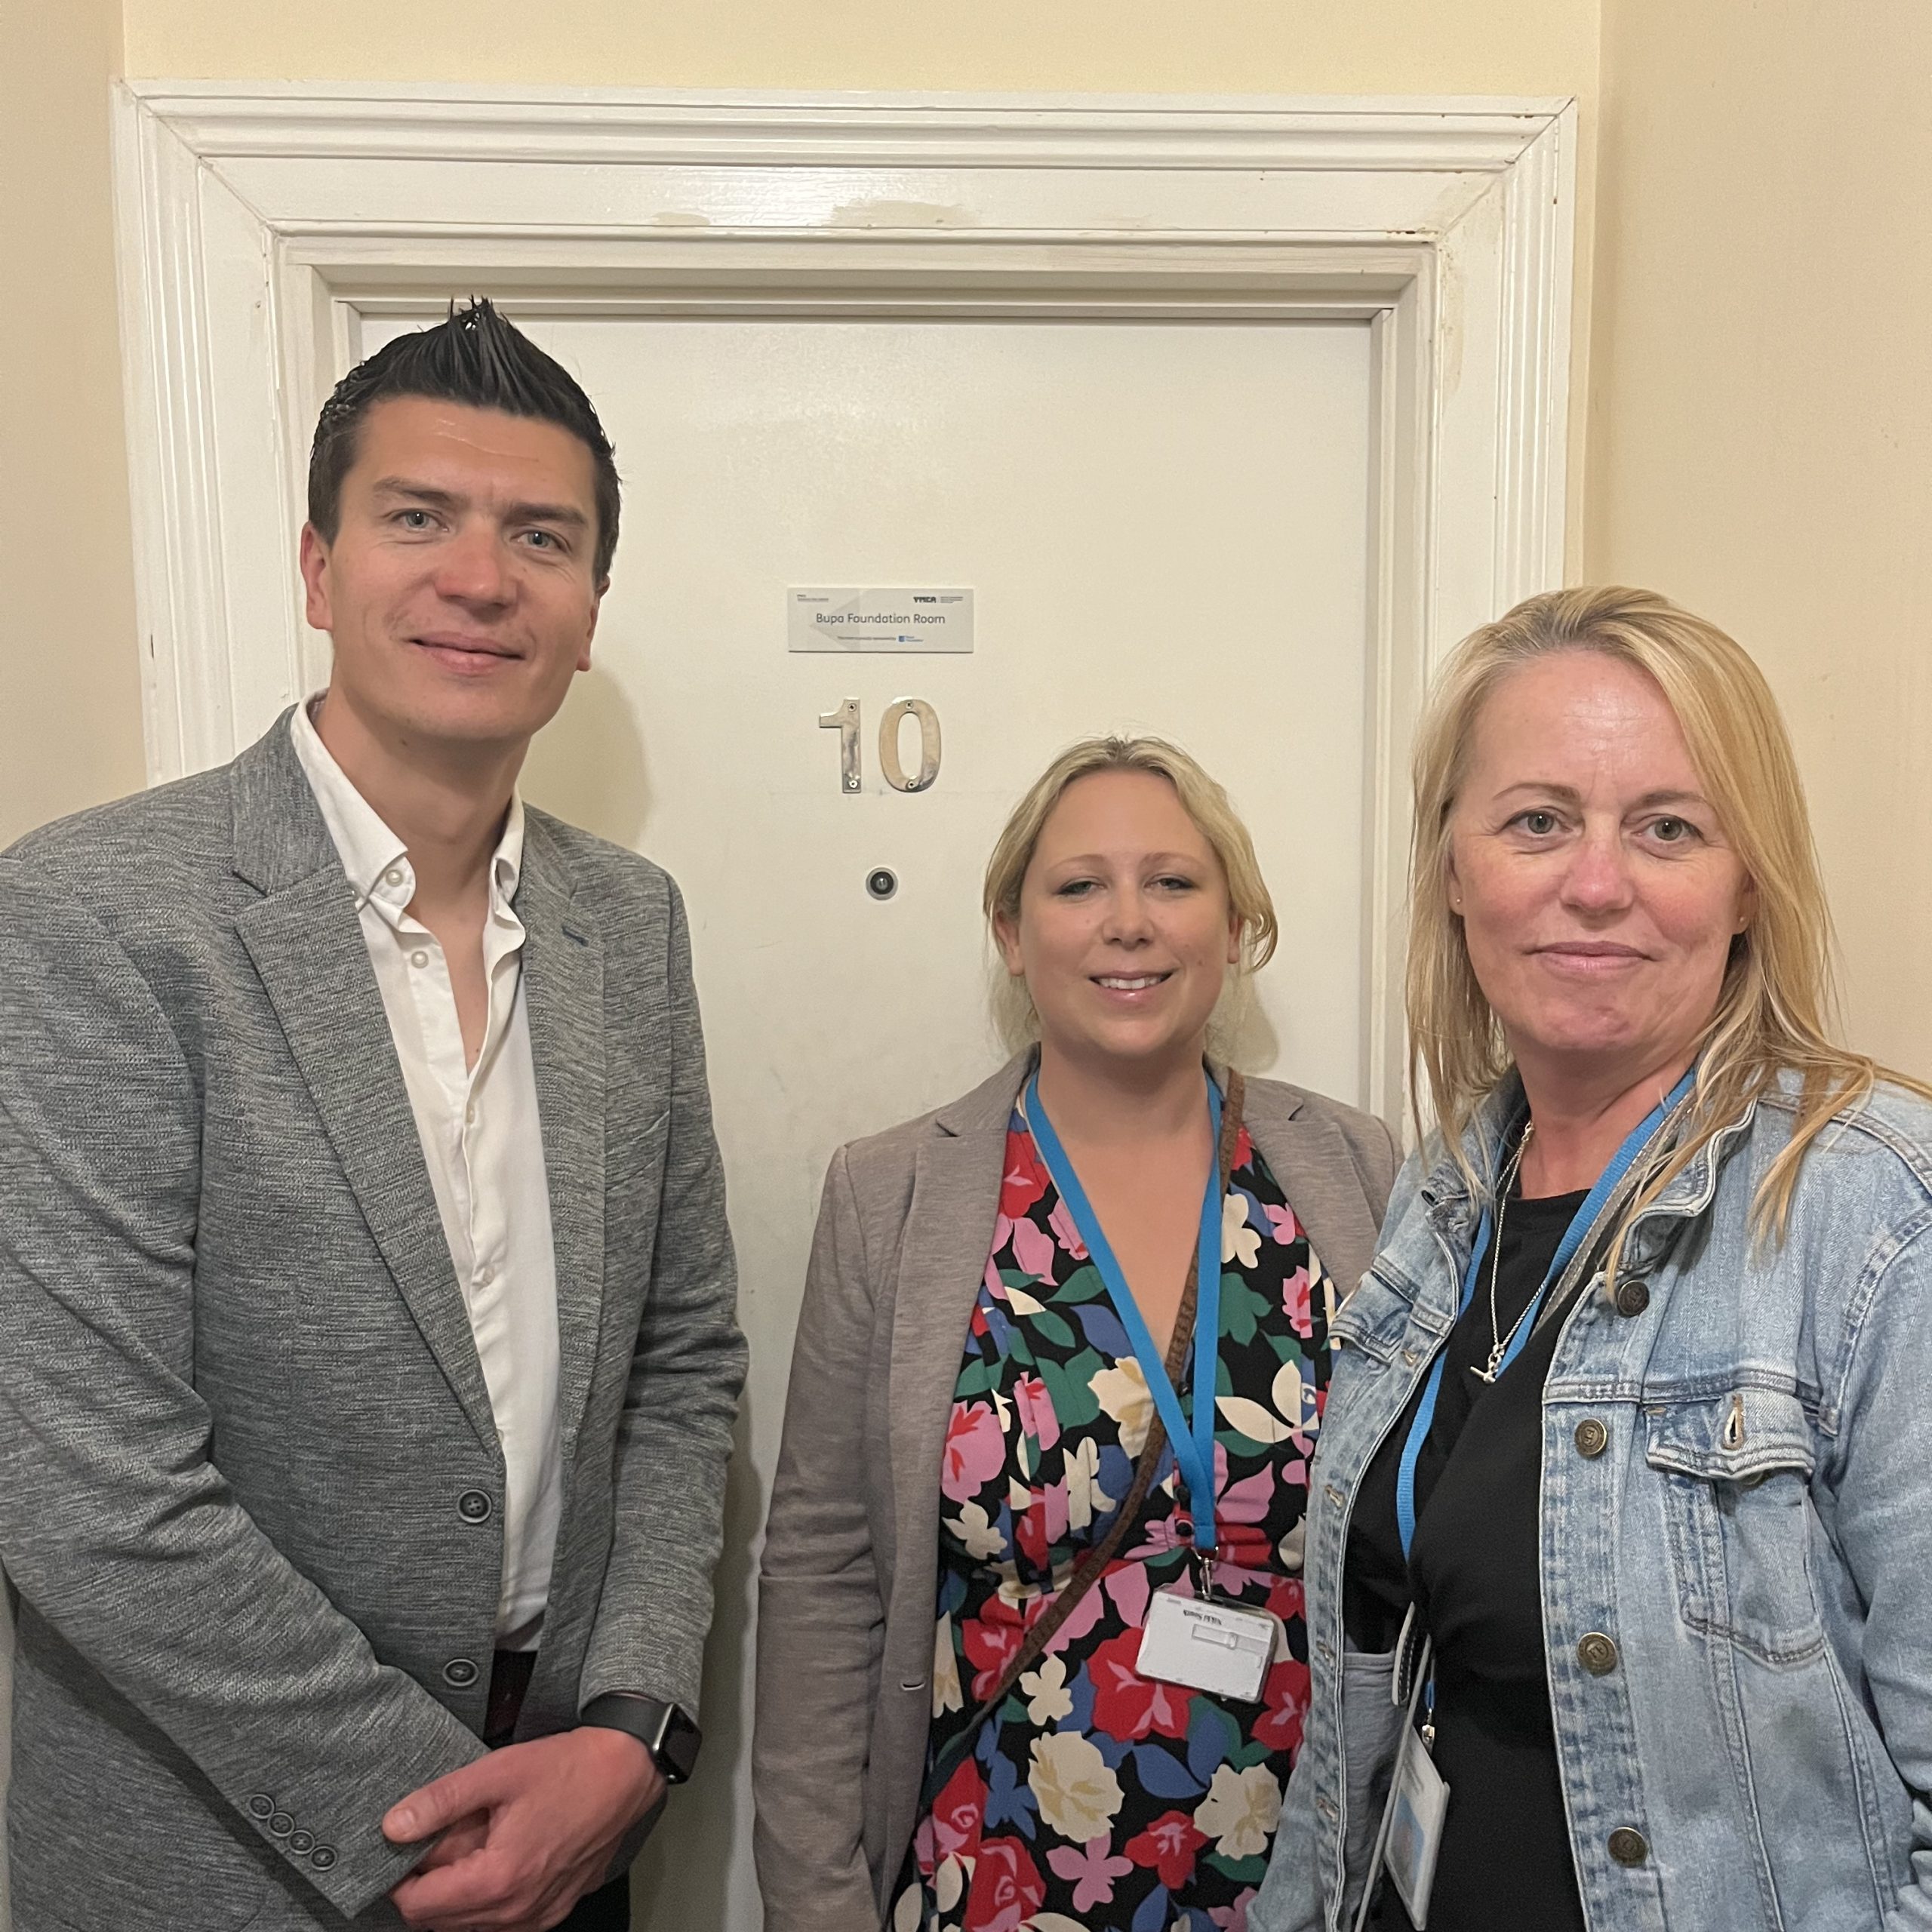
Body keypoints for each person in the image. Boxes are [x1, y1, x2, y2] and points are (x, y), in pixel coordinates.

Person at [0, 300, 747, 1931]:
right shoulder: (92, 913)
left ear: (590, 610)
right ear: (318, 569)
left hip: (572, 1811)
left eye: (539, 535)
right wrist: (440, 1810)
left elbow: (680, 1360)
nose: (481, 576)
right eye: (418, 516)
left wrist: (630, 1730)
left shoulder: (632, 923)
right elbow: (85, 1489)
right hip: (213, 1851)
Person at [1249, 586, 1932, 1932]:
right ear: (1455, 872)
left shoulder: (1876, 1213)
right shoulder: (1447, 1191)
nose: (1599, 883)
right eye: (1538, 821)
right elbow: (1359, 1733)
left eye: (1668, 827)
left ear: (1747, 885)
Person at [754, 737, 1400, 1932]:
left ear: (1234, 925)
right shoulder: (892, 1196)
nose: (1129, 922)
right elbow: (822, 1575)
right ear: (1012, 931)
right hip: (995, 1864)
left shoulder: (1354, 1169)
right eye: (1080, 885)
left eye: (1173, 881)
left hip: (1306, 1877)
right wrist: (814, 1900)